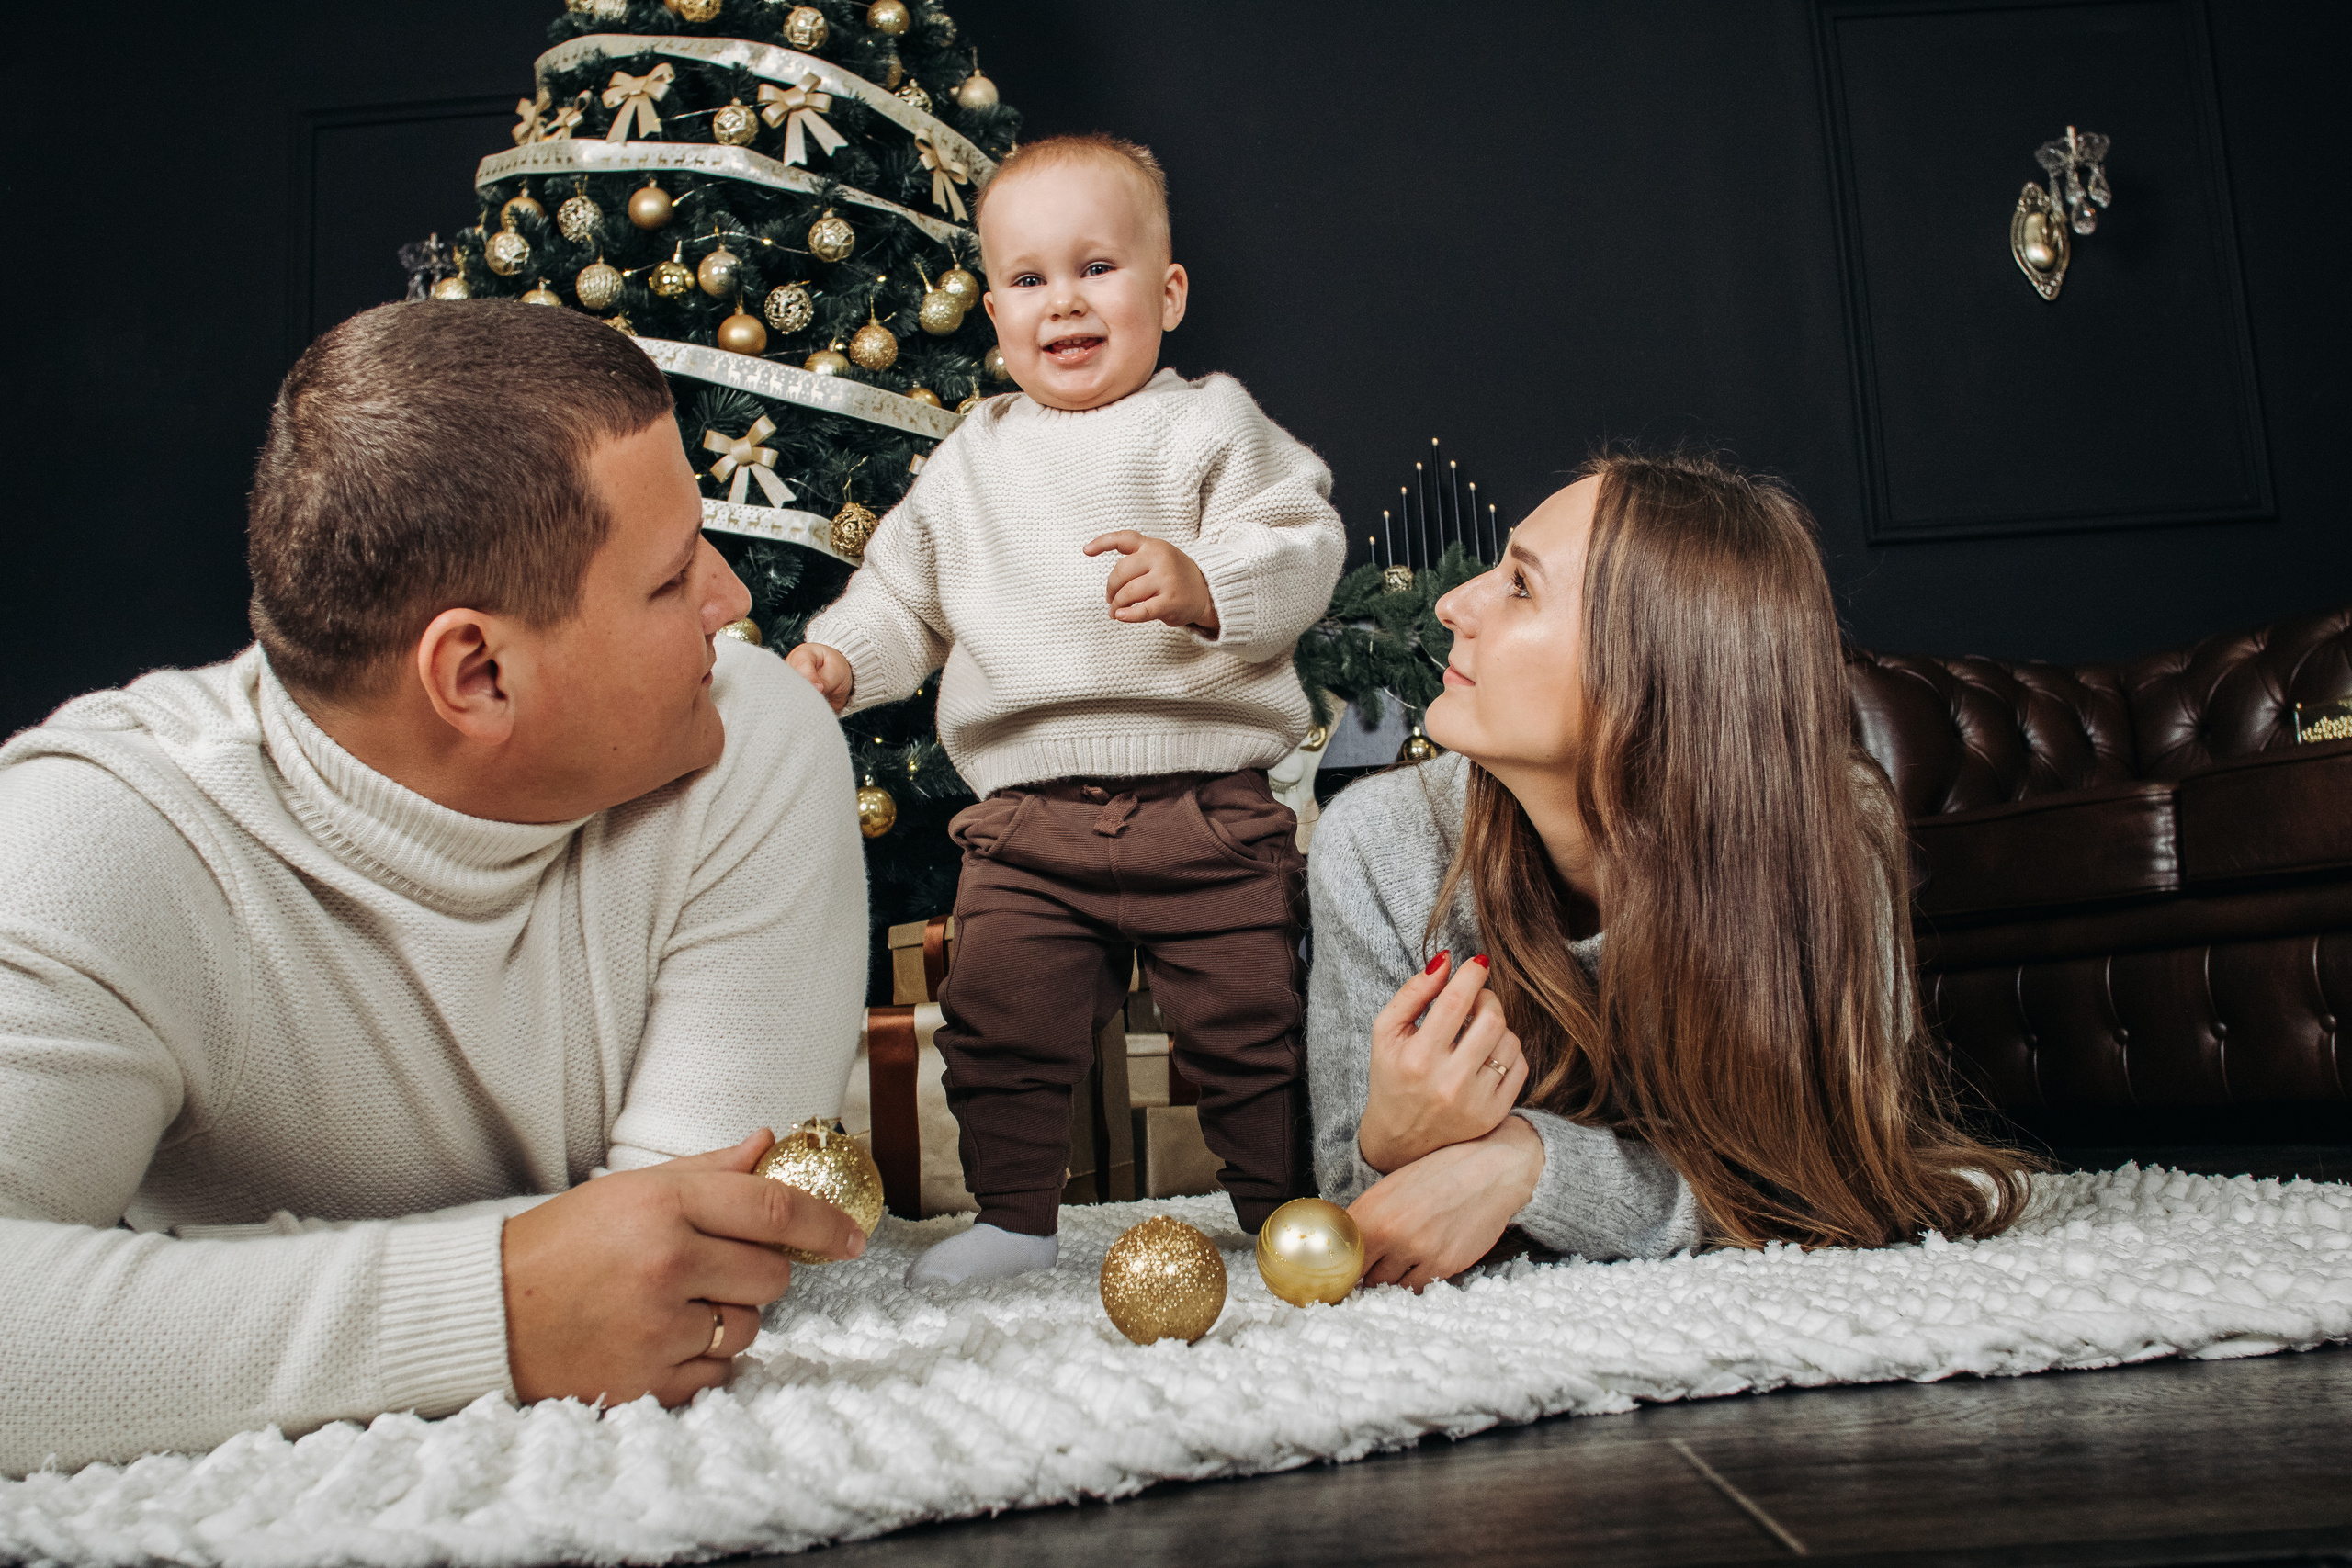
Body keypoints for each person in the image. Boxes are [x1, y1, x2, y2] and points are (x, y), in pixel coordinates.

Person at [0, 301, 872, 1477]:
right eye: (671, 580)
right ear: (477, 673)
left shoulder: (748, 737)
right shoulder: (95, 835)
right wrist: (495, 1305)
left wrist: (163, 1309)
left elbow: (685, 1279)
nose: (731, 600)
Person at [788, 134, 1347, 1286]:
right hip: (1027, 824)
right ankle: (1014, 1219)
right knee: (1000, 1025)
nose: (1065, 303)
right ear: (994, 312)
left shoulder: (1210, 425)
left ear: (1168, 293)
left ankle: (1284, 1209)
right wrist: (843, 658)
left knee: (1253, 1027)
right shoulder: (972, 460)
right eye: (1030, 279)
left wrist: (1209, 582)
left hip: (1205, 809)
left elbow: (1300, 541)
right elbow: (904, 596)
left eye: (1097, 268)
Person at [1306, 452, 2035, 1288]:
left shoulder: (1826, 838)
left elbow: (1849, 1172)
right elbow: (1355, 1229)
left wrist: (1529, 1164)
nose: (1453, 603)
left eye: (1520, 586)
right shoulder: (1377, 843)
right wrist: (1389, 1141)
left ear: (1647, 675)